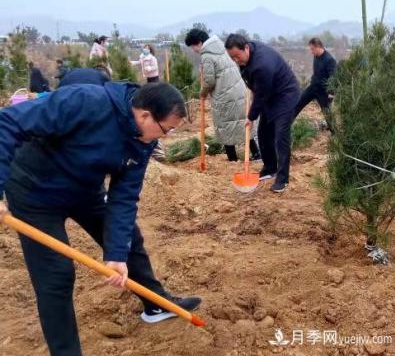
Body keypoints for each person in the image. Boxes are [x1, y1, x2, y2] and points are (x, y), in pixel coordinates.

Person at [0, 82, 202, 355]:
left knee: (130, 239)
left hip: (85, 191)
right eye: (167, 129)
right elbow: (9, 122)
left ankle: (155, 304)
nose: (164, 137)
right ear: (144, 115)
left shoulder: (142, 142)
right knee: (56, 275)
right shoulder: (84, 101)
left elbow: (124, 198)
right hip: (34, 193)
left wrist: (116, 254)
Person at [225, 33, 300, 193]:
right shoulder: (249, 51)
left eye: (237, 56)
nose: (236, 61)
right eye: (233, 58)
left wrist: (251, 117)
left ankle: (282, 179)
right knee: (264, 133)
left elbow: (260, 96)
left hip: (285, 95)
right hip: (270, 95)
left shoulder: (262, 65)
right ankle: (270, 168)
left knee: (280, 136)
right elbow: (257, 90)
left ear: (246, 48)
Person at [184, 29, 260, 162]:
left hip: (224, 96)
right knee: (242, 122)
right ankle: (256, 154)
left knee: (225, 127)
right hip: (239, 91)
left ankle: (232, 159)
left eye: (193, 46)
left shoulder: (207, 56)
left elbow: (209, 81)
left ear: (199, 43)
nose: (194, 50)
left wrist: (202, 93)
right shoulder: (222, 48)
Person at [294, 37, 337, 131]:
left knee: (328, 115)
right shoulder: (316, 56)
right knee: (298, 103)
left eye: (312, 49)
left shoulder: (329, 60)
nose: (311, 51)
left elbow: (333, 77)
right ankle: (286, 125)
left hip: (323, 91)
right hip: (313, 87)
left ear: (318, 47)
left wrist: (331, 93)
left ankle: (335, 135)